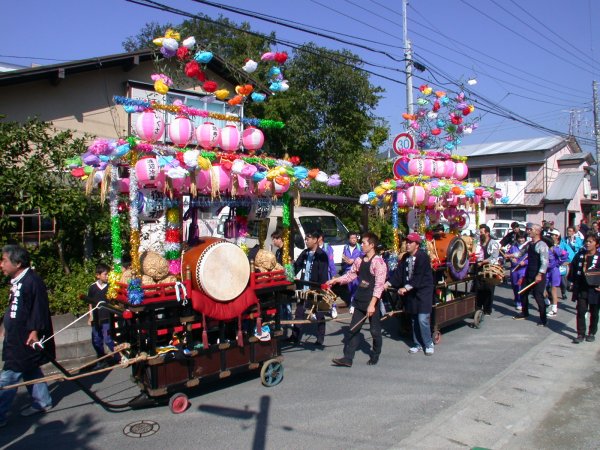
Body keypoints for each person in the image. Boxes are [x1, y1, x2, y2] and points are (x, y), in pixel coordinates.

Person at [0, 245, 55, 426]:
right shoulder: (19, 280)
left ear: (17, 263)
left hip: (26, 339)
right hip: (16, 336)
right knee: (30, 369)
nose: (1, 264)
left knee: (8, 377)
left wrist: (35, 331)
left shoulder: (32, 281)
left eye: (4, 260)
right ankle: (42, 402)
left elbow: (39, 309)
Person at [328, 232, 387, 367]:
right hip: (360, 298)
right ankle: (348, 358)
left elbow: (379, 286)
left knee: (374, 331)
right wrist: (336, 280)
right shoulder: (359, 260)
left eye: (364, 243)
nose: (361, 245)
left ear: (372, 245)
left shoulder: (379, 262)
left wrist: (372, 305)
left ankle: (376, 353)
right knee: (353, 329)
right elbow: (350, 275)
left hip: (372, 301)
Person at [388, 232, 435, 355]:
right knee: (414, 319)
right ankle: (417, 344)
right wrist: (388, 283)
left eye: (410, 242)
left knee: (422, 319)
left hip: (423, 291)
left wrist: (406, 288)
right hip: (412, 293)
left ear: (417, 245)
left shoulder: (423, 257)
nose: (407, 244)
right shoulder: (405, 258)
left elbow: (418, 277)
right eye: (407, 242)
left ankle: (428, 343)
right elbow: (398, 274)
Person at [288, 230, 330, 347]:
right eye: (305, 239)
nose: (306, 241)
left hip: (317, 289)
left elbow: (323, 275)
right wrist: (290, 269)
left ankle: (320, 338)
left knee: (320, 313)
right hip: (304, 288)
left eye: (308, 238)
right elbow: (297, 266)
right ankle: (295, 336)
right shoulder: (305, 253)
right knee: (299, 312)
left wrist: (321, 290)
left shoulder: (322, 255)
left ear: (316, 240)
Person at [513, 224, 549, 326]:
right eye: (528, 229)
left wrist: (540, 274)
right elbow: (520, 253)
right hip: (529, 273)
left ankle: (543, 319)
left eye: (530, 229)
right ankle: (525, 312)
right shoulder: (529, 244)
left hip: (538, 275)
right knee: (522, 292)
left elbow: (545, 262)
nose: (528, 231)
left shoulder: (542, 245)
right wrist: (510, 255)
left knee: (538, 296)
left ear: (537, 231)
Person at [569, 234, 600, 343]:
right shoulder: (580, 255)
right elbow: (572, 267)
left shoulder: (599, 256)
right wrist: (571, 282)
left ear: (596, 243)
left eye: (591, 241)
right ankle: (580, 334)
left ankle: (592, 332)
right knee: (581, 311)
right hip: (582, 288)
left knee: (594, 312)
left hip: (595, 289)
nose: (587, 243)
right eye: (586, 241)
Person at [87, 263, 117, 369]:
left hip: (107, 317)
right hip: (96, 317)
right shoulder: (92, 288)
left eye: (108, 274)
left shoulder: (110, 287)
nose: (107, 276)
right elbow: (90, 303)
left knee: (108, 338)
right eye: (105, 274)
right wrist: (90, 316)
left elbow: (113, 303)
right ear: (98, 275)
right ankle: (101, 359)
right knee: (96, 339)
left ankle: (119, 355)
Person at [475, 224, 500, 315]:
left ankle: (487, 309)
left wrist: (482, 262)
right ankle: (477, 307)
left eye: (481, 232)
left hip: (489, 269)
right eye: (479, 232)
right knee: (478, 288)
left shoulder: (493, 243)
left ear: (487, 233)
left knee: (488, 289)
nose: (480, 234)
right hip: (479, 268)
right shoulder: (478, 242)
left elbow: (494, 257)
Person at [545, 230, 569, 317]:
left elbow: (566, 254)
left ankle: (554, 309)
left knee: (553, 289)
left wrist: (559, 262)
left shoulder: (555, 249)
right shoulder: (542, 249)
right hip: (545, 271)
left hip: (554, 270)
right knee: (543, 287)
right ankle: (547, 302)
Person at [340, 231, 363, 314]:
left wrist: (354, 260)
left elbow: (362, 256)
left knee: (355, 286)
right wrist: (345, 260)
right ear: (348, 239)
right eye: (352, 238)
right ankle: (352, 302)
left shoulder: (360, 247)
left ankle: (353, 305)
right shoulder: (345, 247)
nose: (354, 240)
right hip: (347, 270)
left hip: (356, 270)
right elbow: (343, 256)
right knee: (349, 288)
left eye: (355, 238)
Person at [559, 226, 584, 298]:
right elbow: (561, 249)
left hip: (576, 259)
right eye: (568, 231)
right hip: (567, 260)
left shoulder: (577, 239)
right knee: (563, 274)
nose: (568, 232)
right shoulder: (564, 240)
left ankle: (572, 285)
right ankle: (563, 291)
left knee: (574, 274)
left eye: (570, 231)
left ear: (573, 232)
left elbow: (580, 247)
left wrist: (573, 244)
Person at [508, 231, 528, 311]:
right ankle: (516, 299)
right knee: (514, 285)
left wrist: (525, 262)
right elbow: (508, 253)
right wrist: (510, 258)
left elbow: (531, 258)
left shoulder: (527, 247)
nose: (521, 240)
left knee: (520, 285)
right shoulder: (513, 246)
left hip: (523, 269)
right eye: (519, 238)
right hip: (514, 269)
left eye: (522, 238)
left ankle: (520, 302)